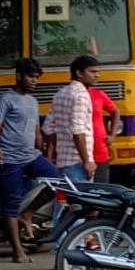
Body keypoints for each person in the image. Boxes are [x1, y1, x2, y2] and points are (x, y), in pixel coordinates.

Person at [0, 59, 60, 264]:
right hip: (9, 159)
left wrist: (42, 148)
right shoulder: (5, 99)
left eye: (36, 78)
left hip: (31, 156)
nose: (34, 81)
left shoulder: (33, 101)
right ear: (19, 75)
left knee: (58, 181)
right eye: (31, 77)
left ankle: (27, 214)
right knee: (12, 202)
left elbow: (36, 128)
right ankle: (17, 251)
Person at [43, 55, 97, 183]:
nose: (97, 75)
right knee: (80, 201)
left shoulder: (60, 94)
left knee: (65, 200)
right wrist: (87, 161)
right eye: (92, 71)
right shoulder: (81, 95)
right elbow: (78, 131)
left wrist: (58, 149)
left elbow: (48, 127)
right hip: (78, 163)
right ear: (79, 73)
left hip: (63, 161)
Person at [88, 73, 120, 184]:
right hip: (78, 156)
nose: (97, 75)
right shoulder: (71, 96)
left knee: (101, 189)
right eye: (92, 72)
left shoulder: (98, 95)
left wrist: (113, 134)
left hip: (100, 152)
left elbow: (115, 111)